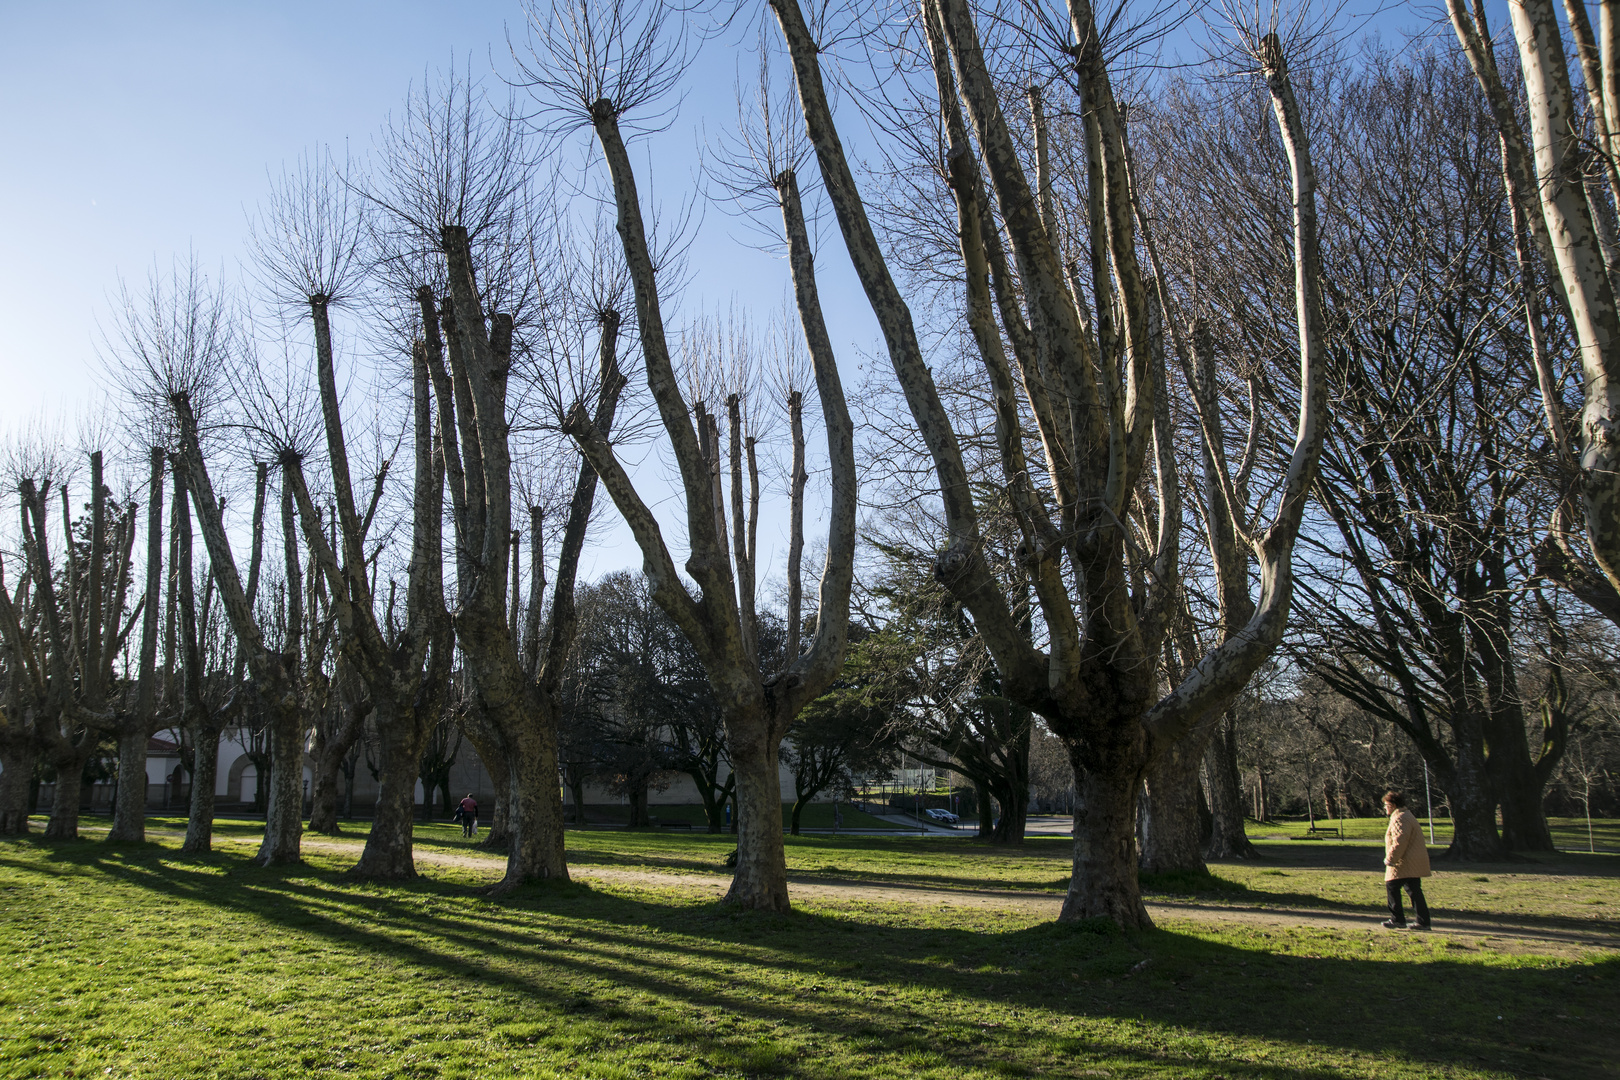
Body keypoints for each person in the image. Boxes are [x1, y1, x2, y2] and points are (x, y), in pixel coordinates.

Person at [1382, 789, 1432, 930]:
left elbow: (1399, 841)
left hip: (1404, 861)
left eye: (1386, 805)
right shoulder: (1407, 816)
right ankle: (1423, 921)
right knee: (1414, 890)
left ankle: (1397, 919)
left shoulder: (1400, 818)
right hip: (1413, 861)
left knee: (1392, 886)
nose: (1385, 808)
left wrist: (1390, 859)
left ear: (1392, 805)